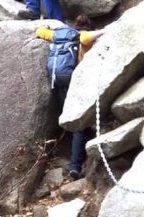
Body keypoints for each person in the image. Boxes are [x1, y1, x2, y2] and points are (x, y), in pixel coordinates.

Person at [36, 15, 104, 178]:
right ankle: (75, 165)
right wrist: (103, 31)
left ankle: (67, 148)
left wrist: (47, 27)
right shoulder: (82, 37)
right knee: (78, 125)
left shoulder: (61, 35)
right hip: (73, 82)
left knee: (68, 117)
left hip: (57, 80)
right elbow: (86, 37)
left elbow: (39, 32)